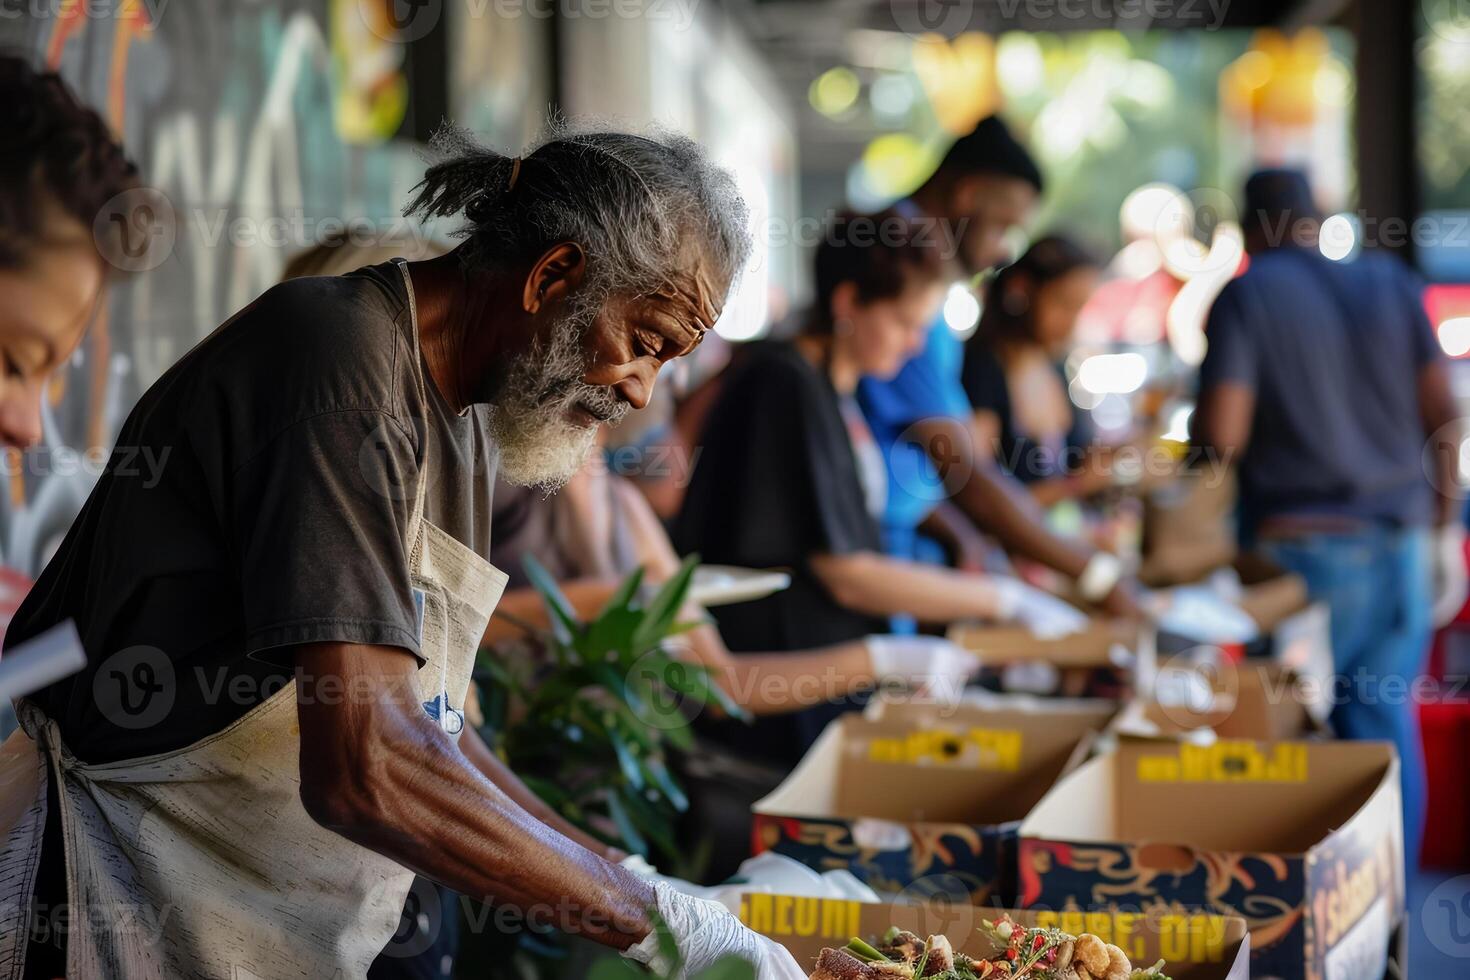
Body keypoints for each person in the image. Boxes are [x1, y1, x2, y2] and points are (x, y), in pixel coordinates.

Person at [0, 118, 807, 979]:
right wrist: (663, 932)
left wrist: (638, 885)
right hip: (114, 900)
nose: (641, 391)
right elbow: (366, 766)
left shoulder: (458, 416)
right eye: (644, 344)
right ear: (554, 275)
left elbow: (434, 728)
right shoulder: (337, 363)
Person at [674, 210, 1089, 764]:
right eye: (903, 322)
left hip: (821, 684)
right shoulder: (783, 384)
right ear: (848, 304)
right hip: (778, 700)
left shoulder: (836, 387)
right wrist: (1001, 600)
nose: (917, 346)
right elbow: (844, 571)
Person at [1192, 167, 1464, 868]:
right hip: (1401, 548)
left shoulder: (1247, 295)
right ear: (1318, 216)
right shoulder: (1391, 284)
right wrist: (1442, 530)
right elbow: (1447, 420)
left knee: (1291, 750)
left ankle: (1303, 938)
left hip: (1301, 561)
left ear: (1249, 228)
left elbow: (1222, 438)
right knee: (1381, 735)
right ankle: (1386, 929)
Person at [855, 116, 1138, 618]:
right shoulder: (898, 262)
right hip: (872, 563)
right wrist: (1094, 576)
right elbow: (965, 471)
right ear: (967, 196)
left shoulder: (922, 282)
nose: (1005, 251)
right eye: (1004, 225)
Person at [961, 235, 1115, 506]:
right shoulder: (982, 369)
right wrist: (1075, 486)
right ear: (1021, 290)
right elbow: (979, 496)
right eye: (1063, 304)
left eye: (1079, 309)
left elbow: (1078, 459)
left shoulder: (1055, 366)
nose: (1071, 323)